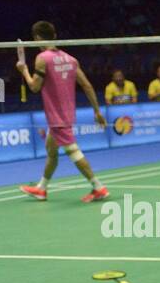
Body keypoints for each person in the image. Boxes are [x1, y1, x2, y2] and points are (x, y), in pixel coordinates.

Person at [15, 21, 108, 203]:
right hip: (66, 114)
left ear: (37, 38)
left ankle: (98, 187)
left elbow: (34, 87)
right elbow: (87, 85)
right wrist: (97, 111)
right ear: (55, 36)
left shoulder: (42, 58)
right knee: (52, 151)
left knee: (73, 151)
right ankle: (41, 188)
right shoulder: (71, 59)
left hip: (57, 116)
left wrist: (24, 70)